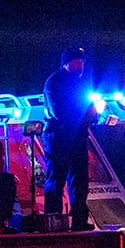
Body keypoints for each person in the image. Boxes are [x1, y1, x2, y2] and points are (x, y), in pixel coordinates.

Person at [42, 47, 96, 230]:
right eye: (76, 61)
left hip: (77, 136)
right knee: (56, 179)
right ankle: (53, 220)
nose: (80, 65)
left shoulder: (81, 84)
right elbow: (59, 112)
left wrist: (87, 116)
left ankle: (79, 220)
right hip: (58, 137)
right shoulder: (54, 82)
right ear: (66, 62)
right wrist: (84, 116)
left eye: (82, 62)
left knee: (80, 181)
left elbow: (91, 111)